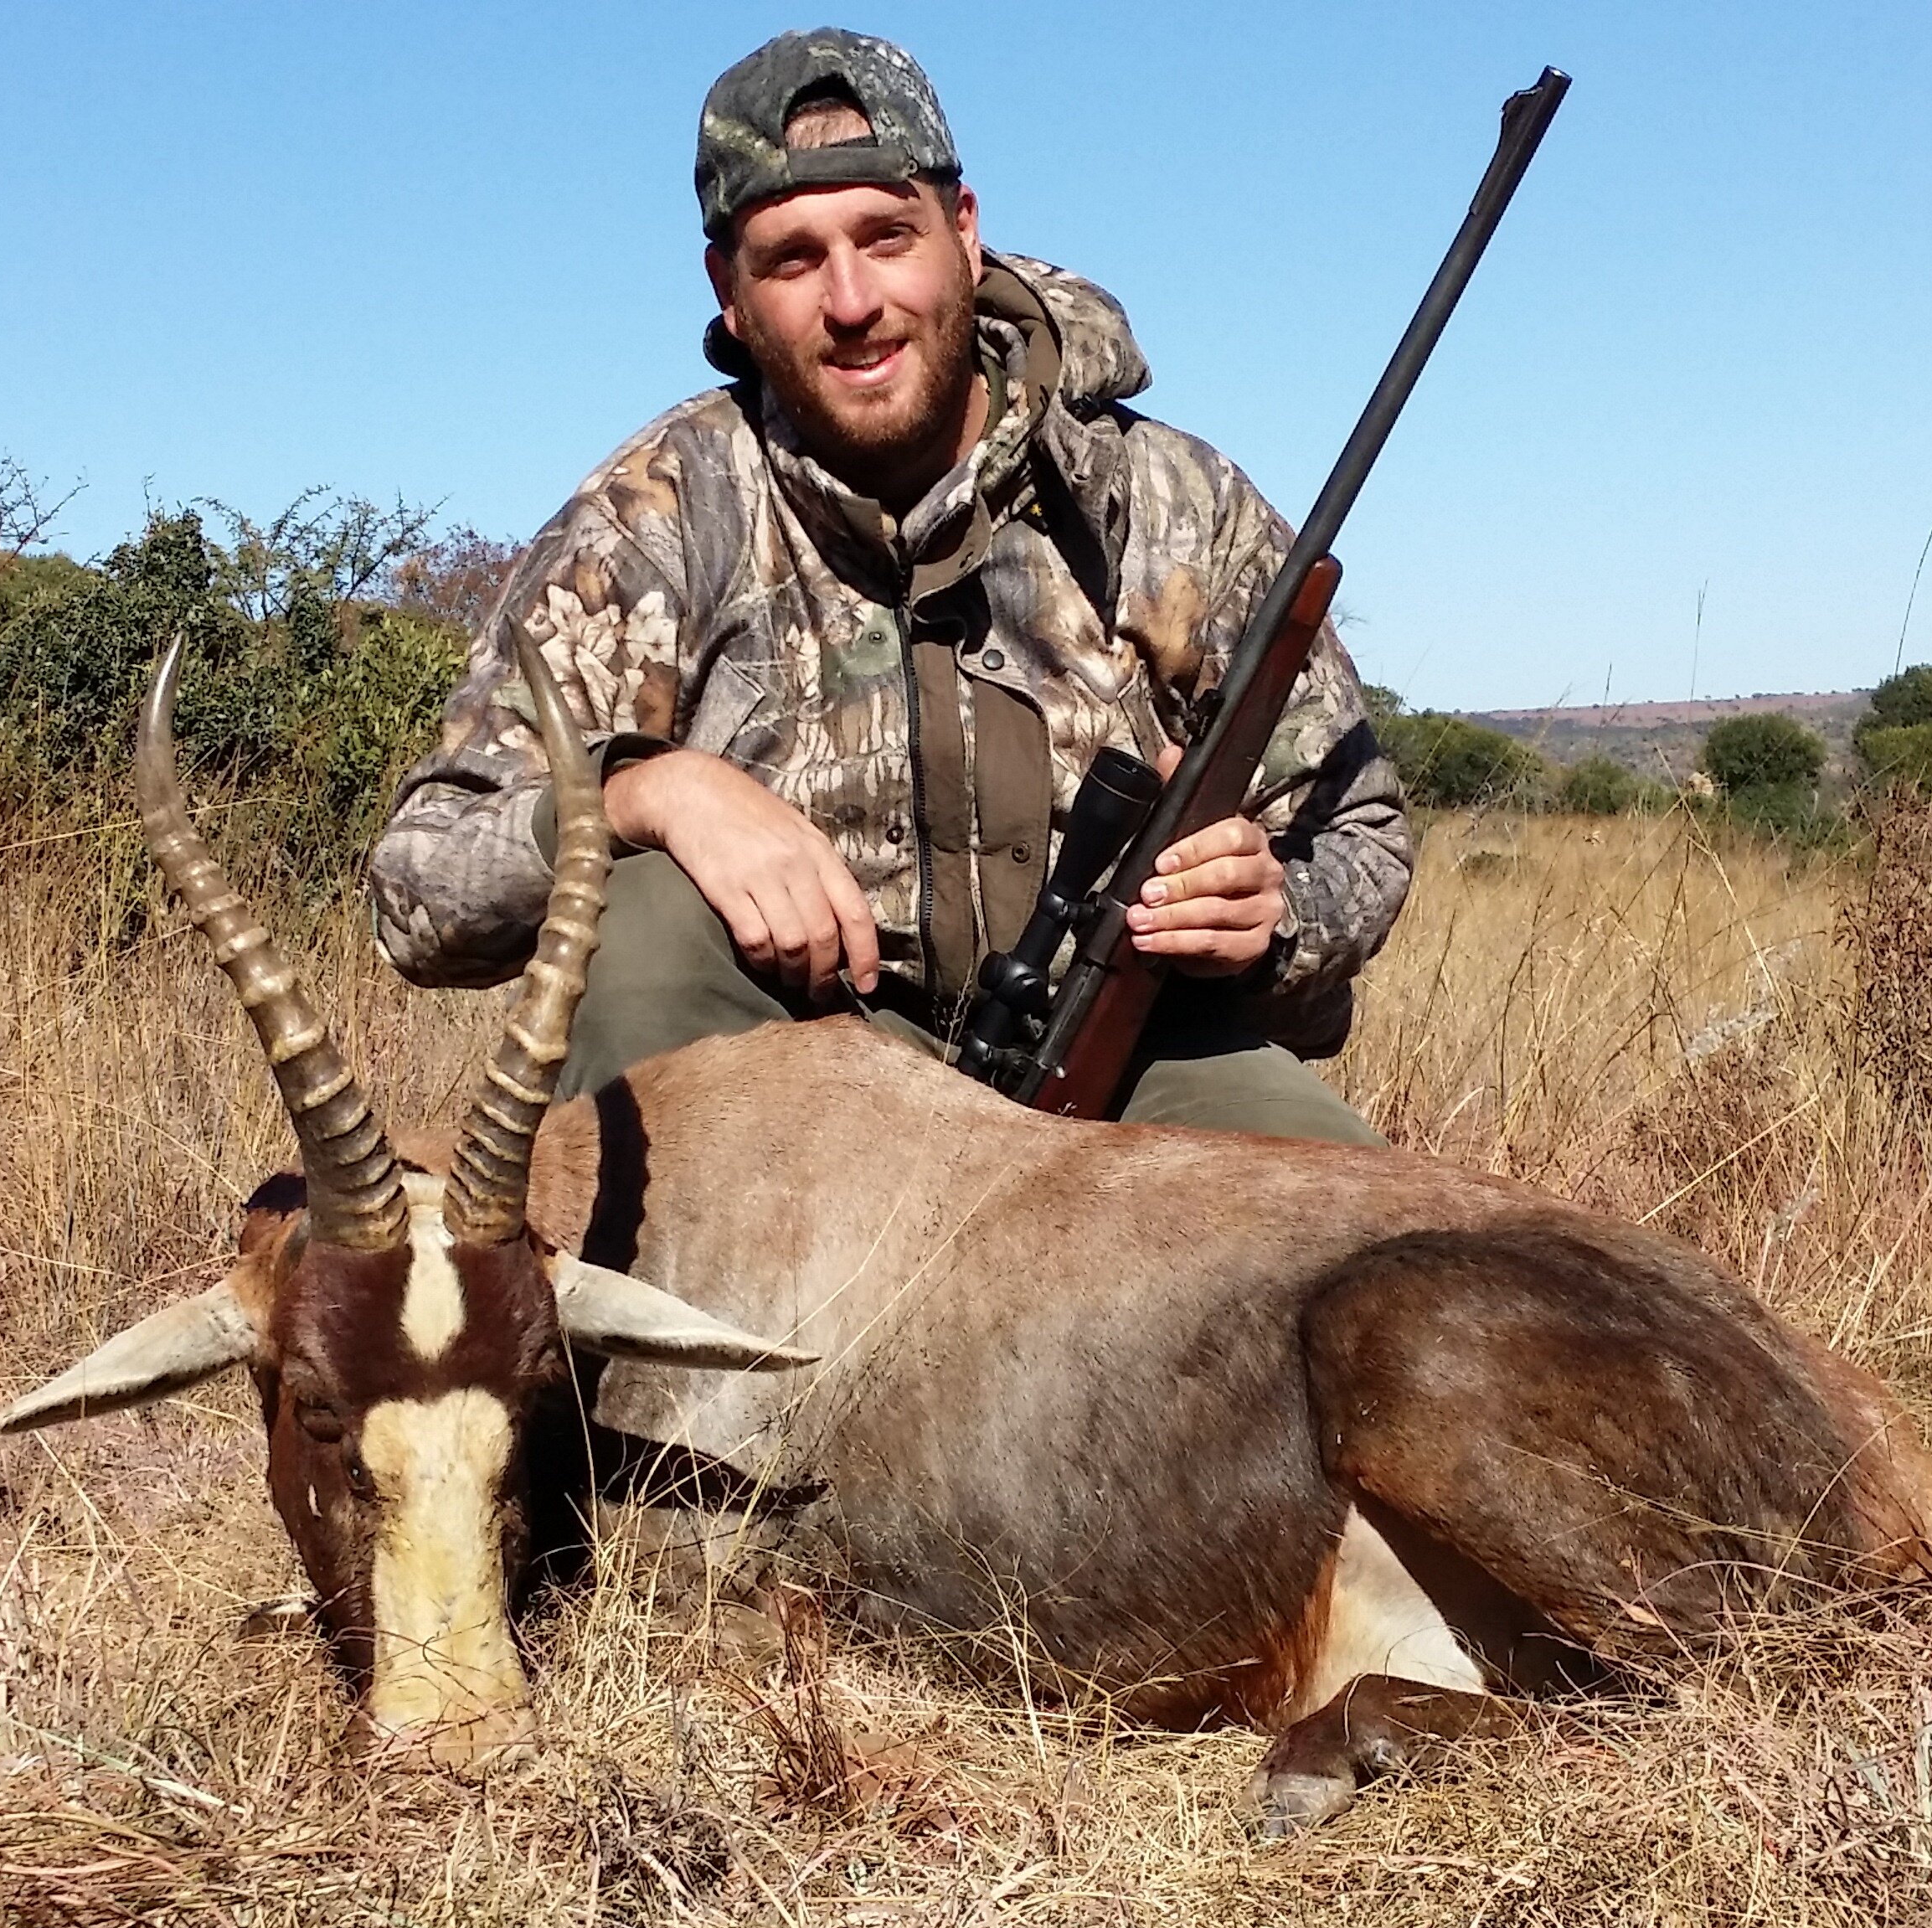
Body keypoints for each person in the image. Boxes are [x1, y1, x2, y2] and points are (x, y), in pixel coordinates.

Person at [371, 27, 1410, 1143]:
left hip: (1120, 1063)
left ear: (963, 237)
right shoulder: (653, 518)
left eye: (887, 235)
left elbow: (1362, 834)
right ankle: (668, 1320)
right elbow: (417, 892)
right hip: (801, 1076)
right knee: (645, 921)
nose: (853, 298)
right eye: (794, 258)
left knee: (1388, 1251)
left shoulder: (1171, 500)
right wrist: (644, 794)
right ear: (730, 291)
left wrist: (1274, 911)